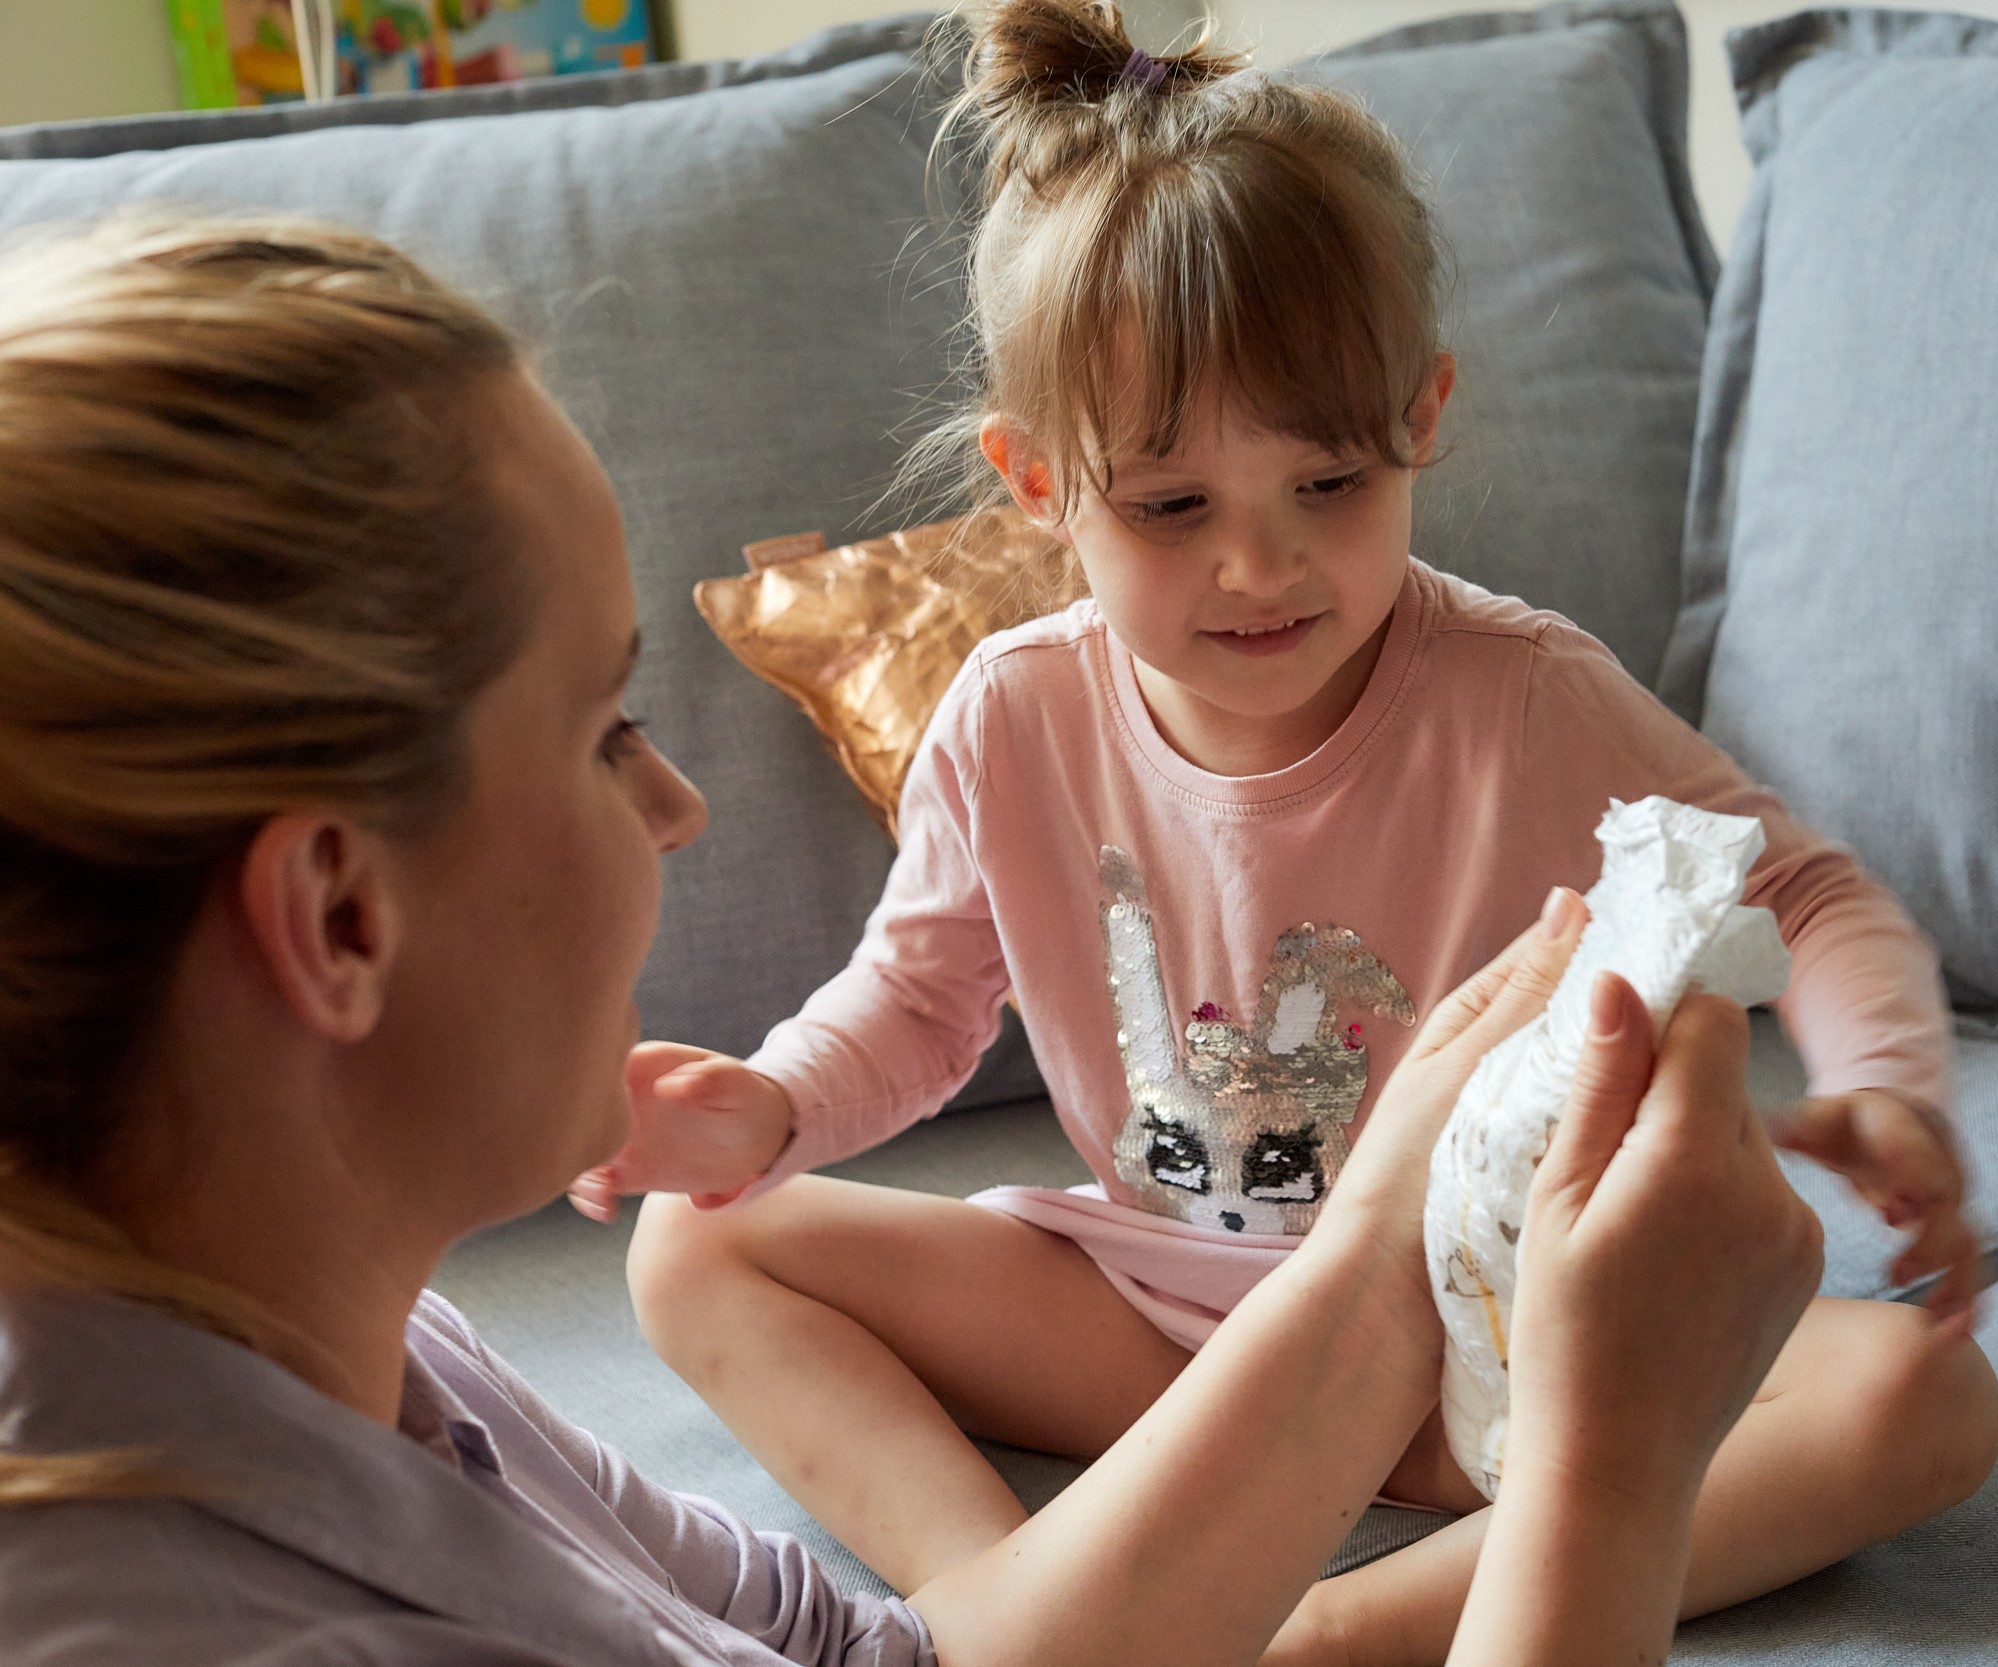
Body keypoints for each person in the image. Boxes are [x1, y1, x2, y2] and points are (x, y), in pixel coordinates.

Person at [0, 209, 1826, 1666]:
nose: (675, 809)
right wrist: (1601, 1471)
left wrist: (1372, 1270)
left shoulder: (356, 1358)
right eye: (603, 728)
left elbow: (879, 1661)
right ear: (336, 913)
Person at [607, 4, 1998, 1662]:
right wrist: (764, 1104)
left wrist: (1886, 1087)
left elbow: (1810, 891)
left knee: (1924, 1393)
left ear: (1423, 415)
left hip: (1496, 1334)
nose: (1260, 572)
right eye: (1174, 507)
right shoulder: (1013, 711)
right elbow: (914, 1006)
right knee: (691, 1246)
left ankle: (1329, 1633)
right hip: (1163, 1321)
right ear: (1037, 483)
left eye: (1329, 488)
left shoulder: (1522, 693)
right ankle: (1005, 1609)